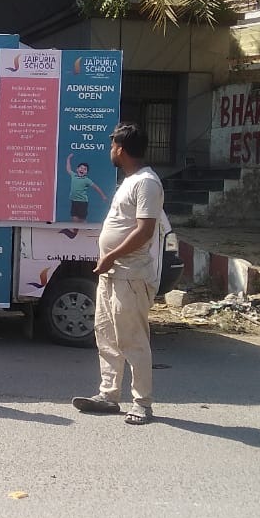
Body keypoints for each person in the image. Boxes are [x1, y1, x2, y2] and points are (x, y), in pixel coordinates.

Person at [72, 122, 165, 425]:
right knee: (107, 337)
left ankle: (142, 403)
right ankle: (109, 395)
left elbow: (145, 231)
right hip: (112, 275)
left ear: (121, 149)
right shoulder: (130, 181)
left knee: (133, 340)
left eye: (113, 145)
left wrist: (111, 255)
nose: (110, 150)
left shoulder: (146, 183)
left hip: (131, 276)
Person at [65, 152, 109, 223]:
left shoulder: (87, 180)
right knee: (74, 218)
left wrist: (103, 196)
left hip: (82, 202)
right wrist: (68, 159)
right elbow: (68, 169)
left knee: (82, 219)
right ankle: (75, 230)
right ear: (77, 169)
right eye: (81, 168)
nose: (82, 170)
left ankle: (86, 228)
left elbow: (96, 187)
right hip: (74, 201)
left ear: (86, 172)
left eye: (84, 169)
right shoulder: (74, 175)